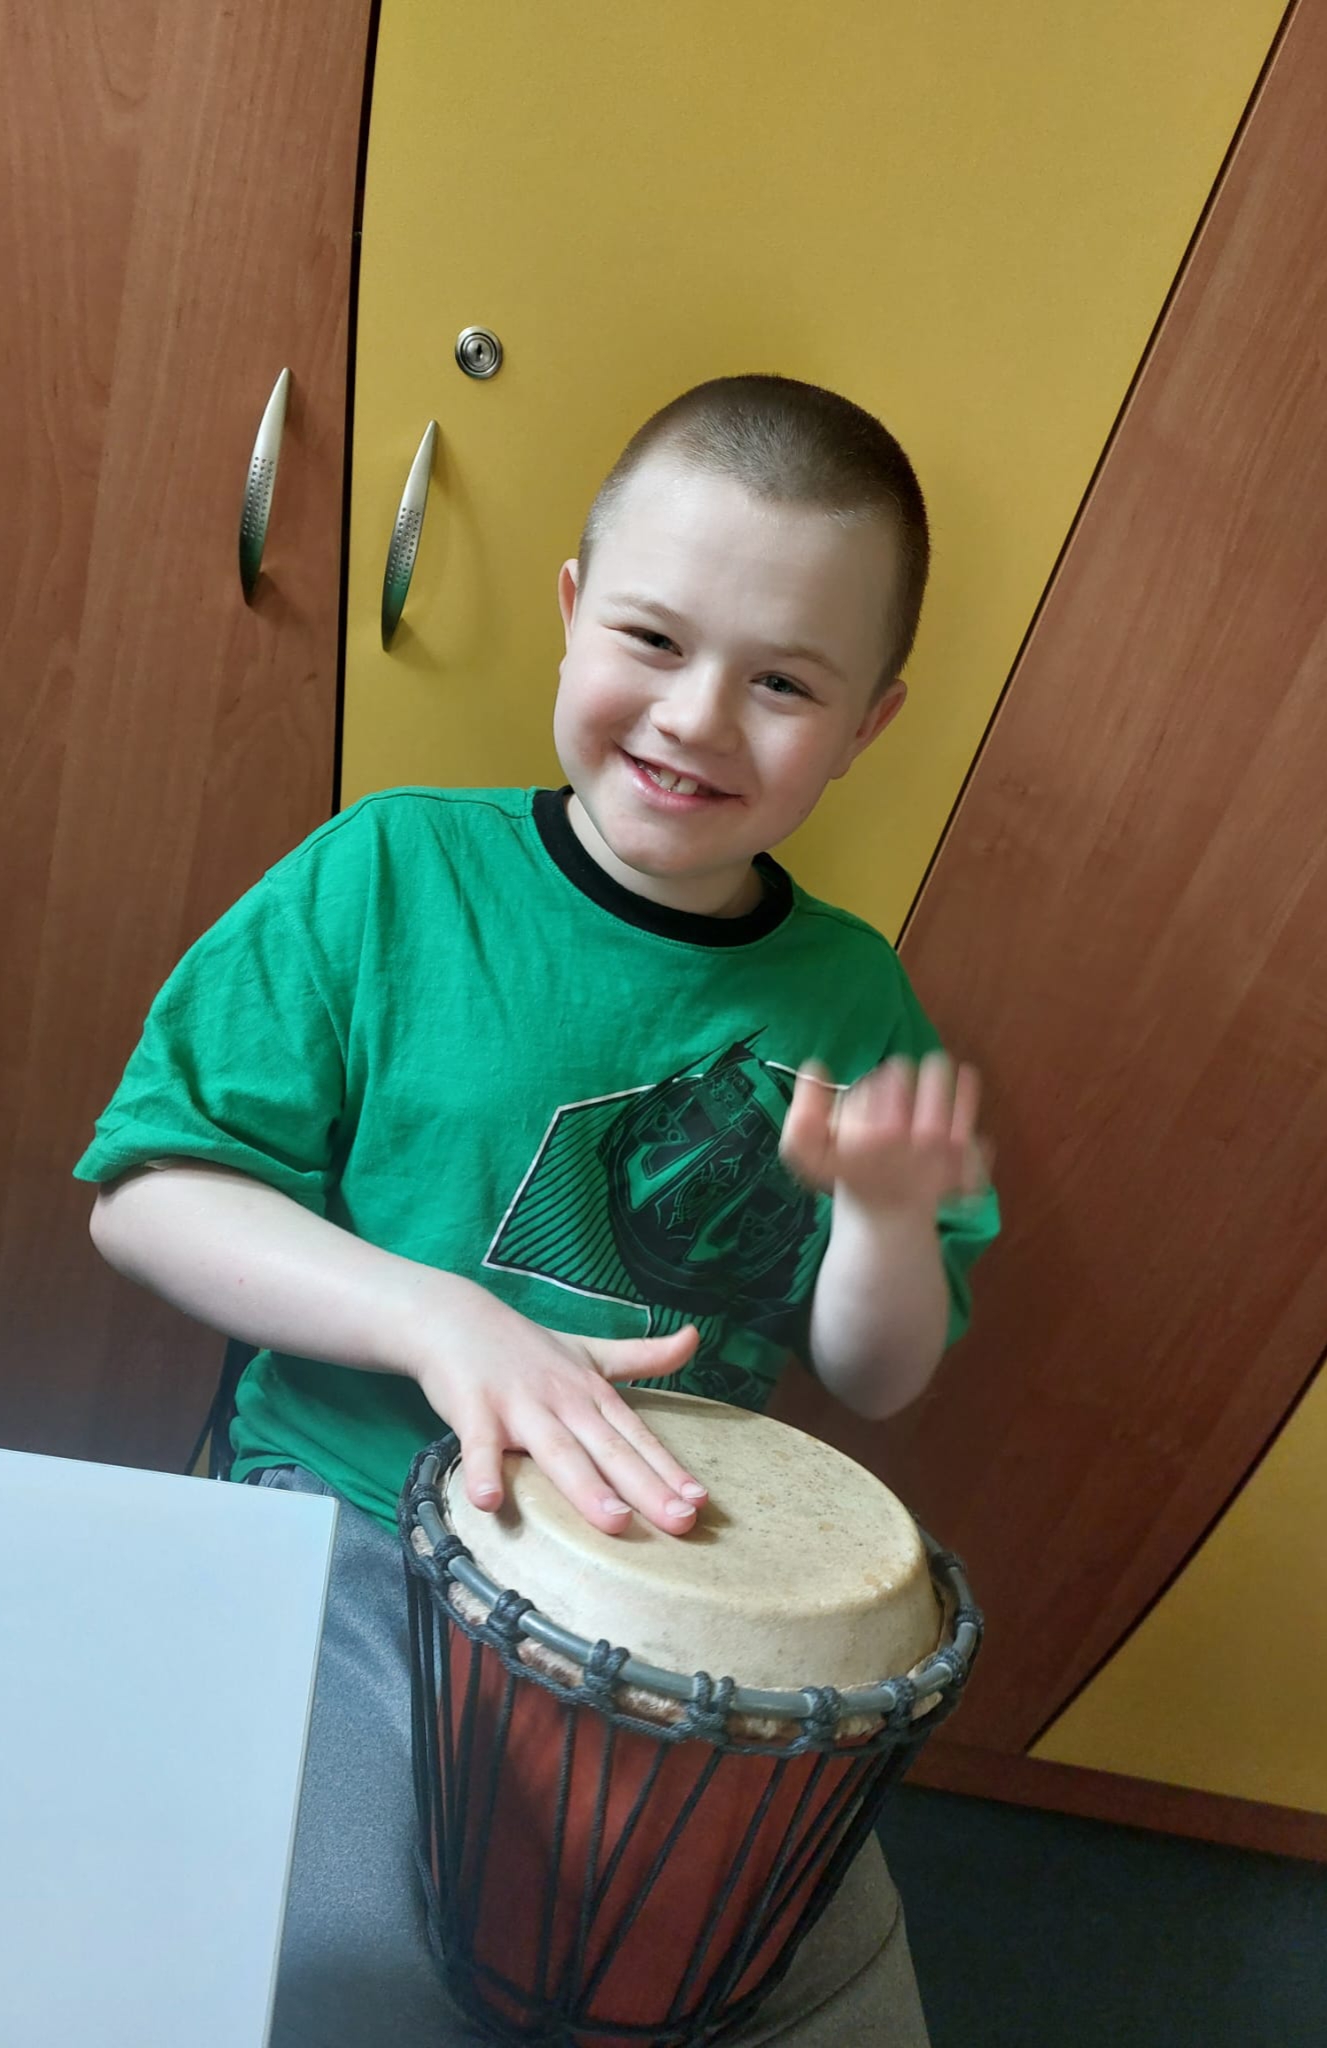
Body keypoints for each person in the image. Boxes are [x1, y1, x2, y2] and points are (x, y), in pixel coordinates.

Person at [77, 374, 999, 2046]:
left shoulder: (855, 998)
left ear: (868, 724)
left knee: (834, 2005)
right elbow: (149, 1198)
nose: (699, 718)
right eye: (654, 638)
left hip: (683, 1585)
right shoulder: (388, 875)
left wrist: (878, 1224)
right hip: (355, 1515)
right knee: (333, 1964)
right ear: (573, 613)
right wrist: (440, 1319)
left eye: (783, 681)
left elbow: (880, 1375)